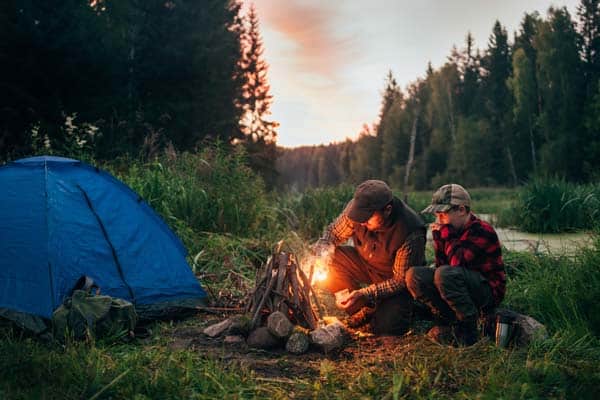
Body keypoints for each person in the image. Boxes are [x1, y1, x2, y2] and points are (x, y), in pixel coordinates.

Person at [313, 179, 426, 334]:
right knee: (333, 258)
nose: (362, 221)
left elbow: (400, 280)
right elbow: (332, 234)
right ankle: (361, 308)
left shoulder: (409, 231)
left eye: (368, 217)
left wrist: (366, 293)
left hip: (394, 281)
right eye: (360, 216)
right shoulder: (357, 212)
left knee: (387, 328)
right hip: (366, 264)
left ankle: (414, 307)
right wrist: (322, 253)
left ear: (387, 210)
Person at [405, 184, 506, 346]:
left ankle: (469, 325)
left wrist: (444, 233)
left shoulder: (481, 230)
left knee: (445, 274)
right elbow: (441, 265)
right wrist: (439, 238)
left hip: (487, 292)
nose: (439, 220)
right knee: (414, 275)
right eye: (437, 215)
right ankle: (446, 317)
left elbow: (457, 264)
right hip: (459, 285)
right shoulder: (449, 230)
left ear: (461, 210)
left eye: (443, 214)